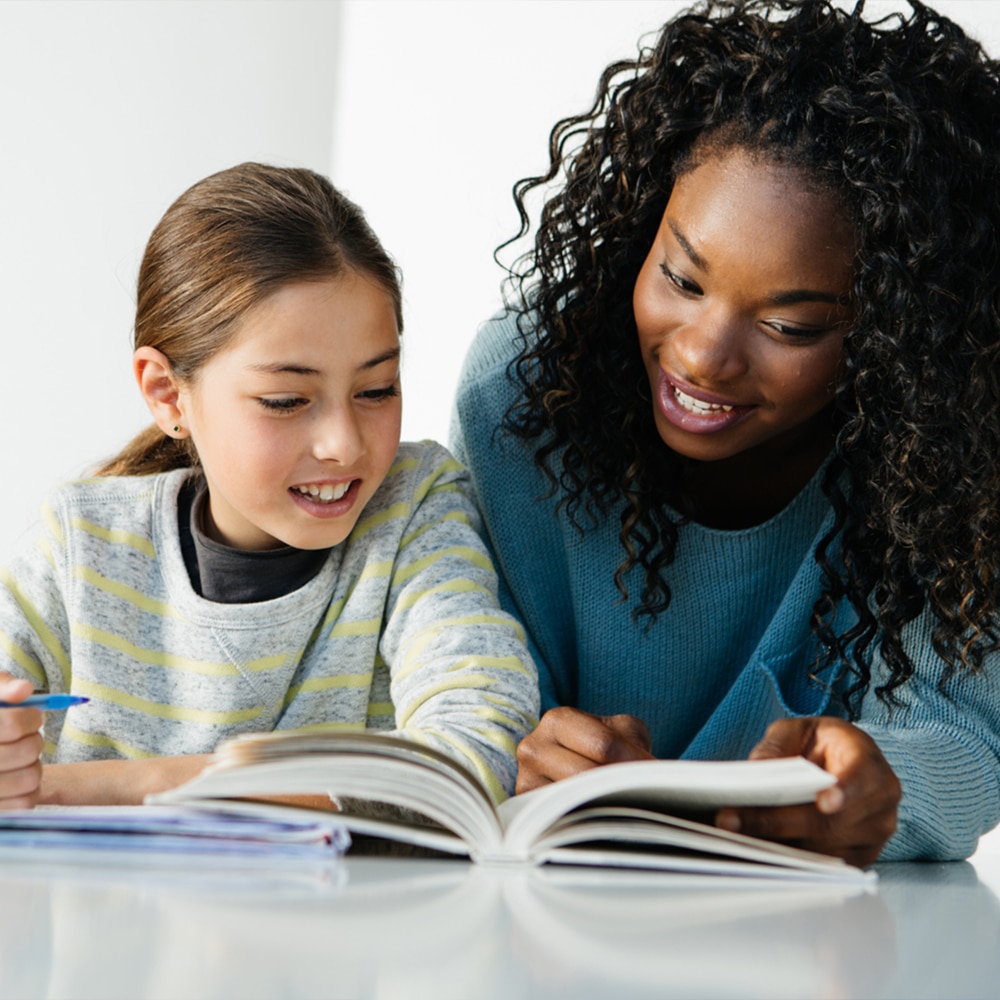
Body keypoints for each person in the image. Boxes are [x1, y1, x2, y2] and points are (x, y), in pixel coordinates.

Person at [452, 0, 1000, 866]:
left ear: (900, 341)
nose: (704, 357)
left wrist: (876, 791)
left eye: (791, 327)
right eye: (680, 276)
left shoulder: (954, 463)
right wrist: (522, 750)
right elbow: (460, 666)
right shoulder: (521, 396)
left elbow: (965, 735)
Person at [0, 163, 538, 810]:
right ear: (167, 393)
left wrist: (115, 784)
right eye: (285, 400)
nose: (343, 443)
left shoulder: (414, 509)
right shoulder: (82, 545)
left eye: (376, 390)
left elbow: (475, 751)